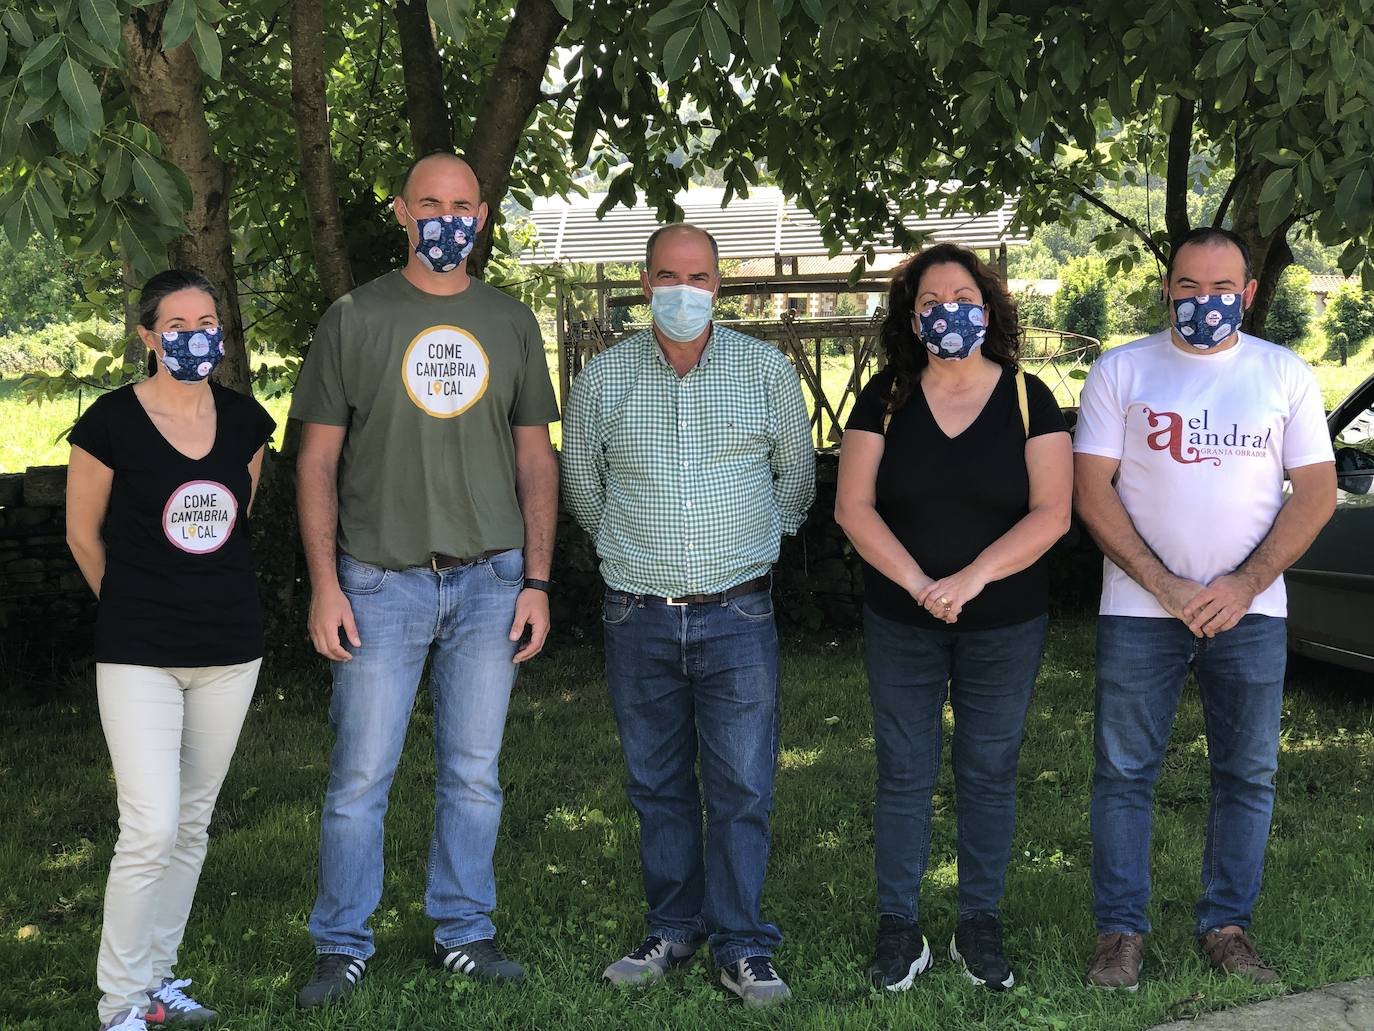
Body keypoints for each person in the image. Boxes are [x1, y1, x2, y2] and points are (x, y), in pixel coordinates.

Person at [290, 151, 560, 1008]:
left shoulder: (510, 320)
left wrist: (538, 580)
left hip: (490, 582)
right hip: (379, 582)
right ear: (402, 213)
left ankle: (463, 928)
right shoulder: (354, 317)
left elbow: (534, 459)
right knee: (360, 776)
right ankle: (341, 940)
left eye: (462, 205)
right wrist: (325, 583)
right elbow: (316, 460)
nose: (446, 217)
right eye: (429, 203)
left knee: (474, 771)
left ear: (482, 217)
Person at [1074, 227, 1337, 990]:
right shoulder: (1121, 370)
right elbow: (1092, 491)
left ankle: (1227, 925)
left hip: (1251, 611)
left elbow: (1315, 494)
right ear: (1167, 288)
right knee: (1123, 773)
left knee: (1247, 774)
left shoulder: (1283, 373)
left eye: (1222, 288)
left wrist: (1243, 584)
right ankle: (1120, 933)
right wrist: (1166, 585)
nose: (1204, 301)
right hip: (1138, 608)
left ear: (1249, 293)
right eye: (1188, 286)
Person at [561, 224, 815, 1008]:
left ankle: (742, 941)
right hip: (637, 613)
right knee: (657, 783)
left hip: (738, 613)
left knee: (741, 785)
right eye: (667, 274)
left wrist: (753, 545)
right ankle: (673, 925)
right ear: (644, 283)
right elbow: (583, 488)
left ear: (717, 284)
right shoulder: (602, 379)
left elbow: (796, 485)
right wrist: (629, 552)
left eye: (698, 275)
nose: (682, 288)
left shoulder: (767, 371)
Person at [834, 242, 1072, 993]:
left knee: (989, 772)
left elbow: (1053, 514)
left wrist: (968, 579)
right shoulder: (885, 397)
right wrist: (919, 584)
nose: (948, 313)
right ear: (912, 317)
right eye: (932, 302)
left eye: (962, 298)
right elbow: (853, 507)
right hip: (900, 620)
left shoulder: (1033, 397)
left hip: (1004, 621)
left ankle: (980, 925)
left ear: (989, 306)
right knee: (903, 772)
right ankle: (899, 929)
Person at [66, 270, 276, 1030]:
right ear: (148, 336)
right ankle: (119, 1002)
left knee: (192, 822)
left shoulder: (247, 421)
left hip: (229, 646)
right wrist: (131, 606)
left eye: (208, 319)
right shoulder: (109, 422)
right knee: (150, 826)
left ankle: (157, 980)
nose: (197, 334)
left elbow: (234, 523)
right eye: (179, 322)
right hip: (138, 650)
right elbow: (81, 534)